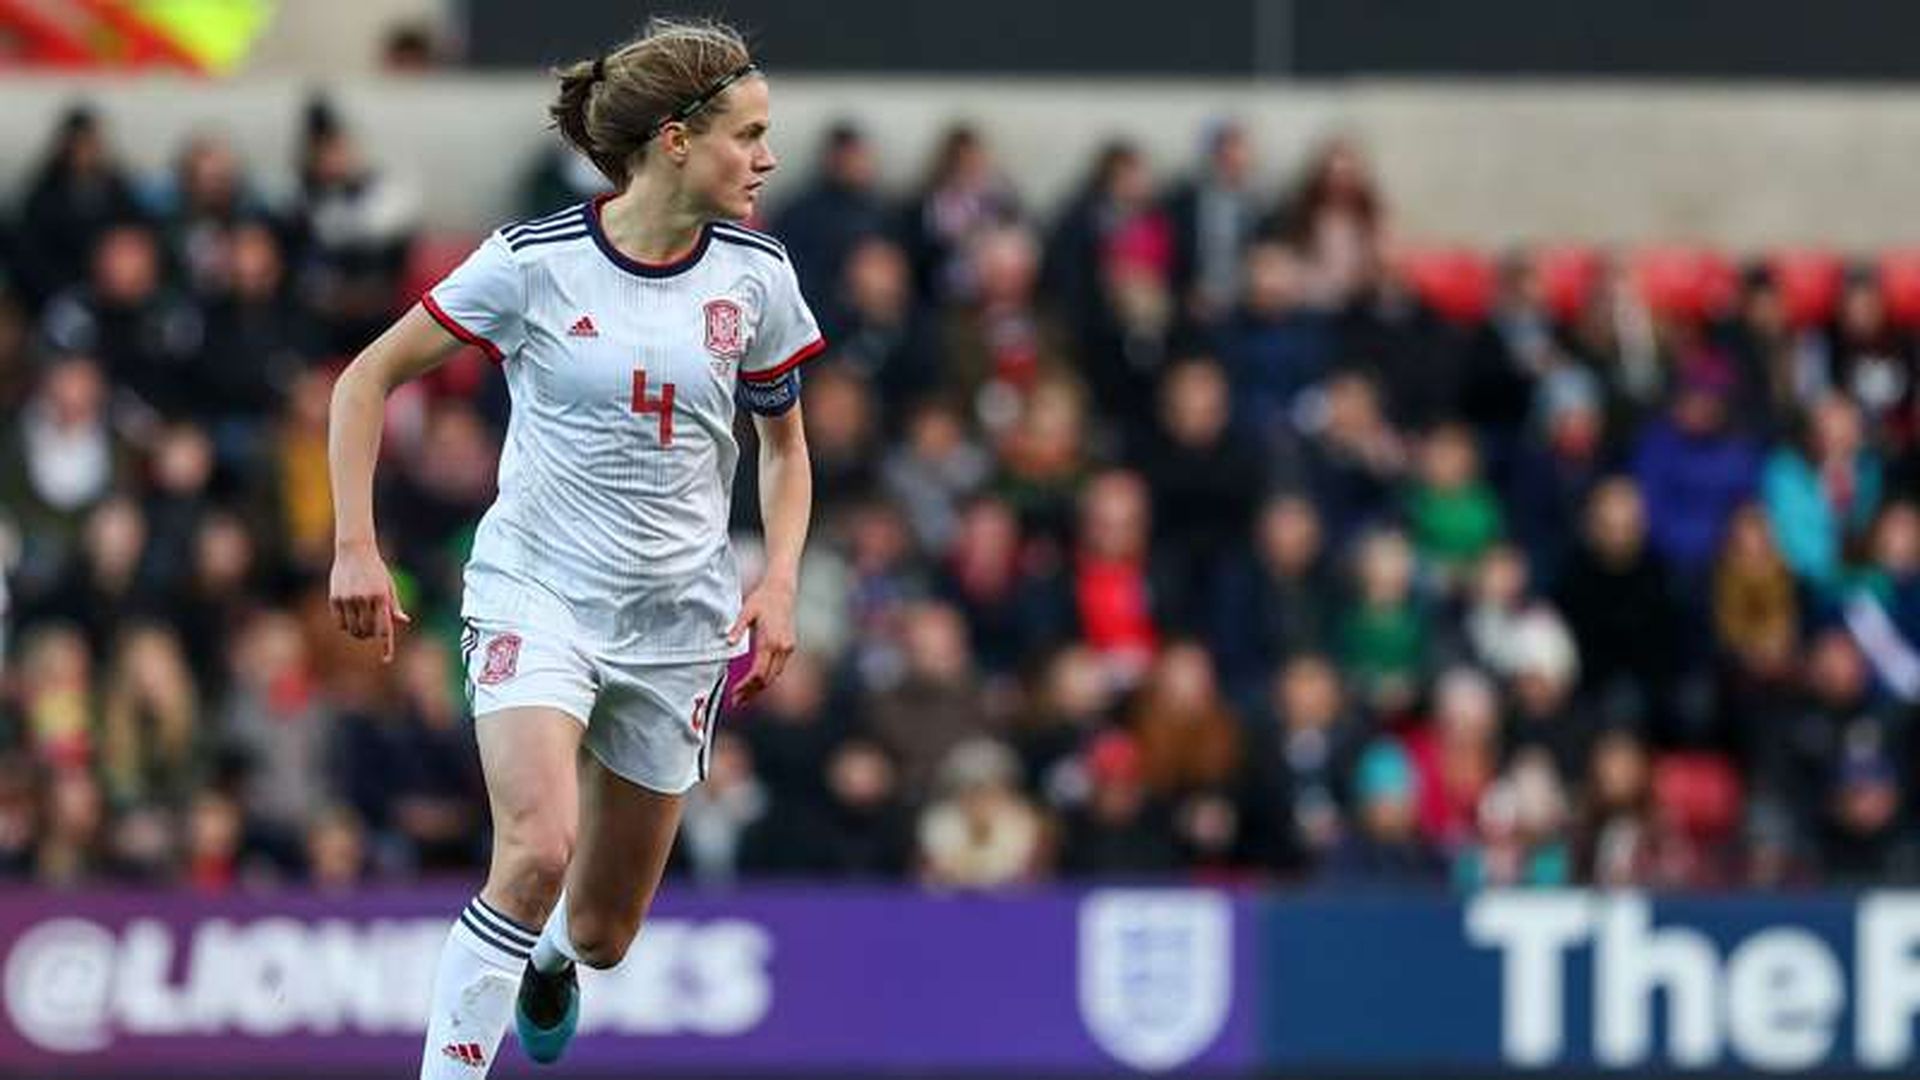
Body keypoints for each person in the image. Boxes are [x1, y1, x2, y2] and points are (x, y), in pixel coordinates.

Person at [326, 19, 820, 1078]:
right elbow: (362, 380)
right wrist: (356, 545)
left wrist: (777, 582)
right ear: (677, 141)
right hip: (535, 592)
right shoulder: (531, 263)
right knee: (535, 850)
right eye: (750, 135)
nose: (768, 158)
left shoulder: (759, 278)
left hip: (679, 622)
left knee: (600, 930)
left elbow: (784, 448)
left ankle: (550, 961)